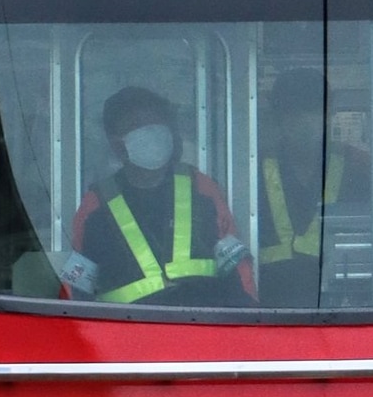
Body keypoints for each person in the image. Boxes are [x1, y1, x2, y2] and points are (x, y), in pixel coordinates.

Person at [62, 85, 256, 307]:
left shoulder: (202, 188)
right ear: (117, 145)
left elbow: (237, 266)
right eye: (137, 126)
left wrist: (249, 323)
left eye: (156, 125)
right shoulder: (95, 205)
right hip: (125, 335)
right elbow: (76, 287)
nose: (150, 134)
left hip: (203, 331)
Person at [257, 66, 369, 307]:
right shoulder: (252, 171)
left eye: (314, 111)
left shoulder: (360, 169)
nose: (305, 122)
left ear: (330, 115)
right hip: (267, 309)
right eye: (294, 112)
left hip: (345, 307)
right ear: (278, 118)